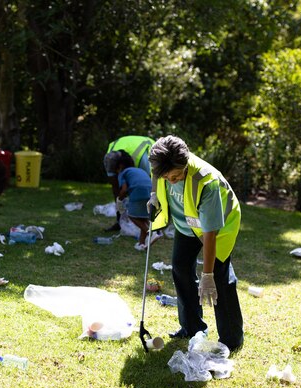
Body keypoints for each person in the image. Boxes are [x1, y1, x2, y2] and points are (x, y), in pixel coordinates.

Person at [148, 135, 243, 351]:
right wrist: (154, 195)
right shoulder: (160, 161)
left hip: (220, 225)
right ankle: (192, 328)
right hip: (187, 222)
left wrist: (207, 275)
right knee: (180, 268)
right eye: (166, 177)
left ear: (185, 163)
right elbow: (156, 174)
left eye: (175, 176)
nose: (171, 181)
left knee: (219, 276)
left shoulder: (205, 182)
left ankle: (231, 338)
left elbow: (209, 234)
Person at [103, 135, 154, 232]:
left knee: (145, 195)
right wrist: (120, 202)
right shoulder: (110, 157)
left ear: (120, 167)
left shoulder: (143, 162)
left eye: (116, 171)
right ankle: (120, 222)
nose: (117, 175)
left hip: (147, 153)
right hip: (123, 157)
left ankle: (153, 223)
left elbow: (145, 186)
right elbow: (115, 187)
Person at [114, 151, 152, 250]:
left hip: (138, 192)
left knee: (132, 215)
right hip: (150, 192)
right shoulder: (138, 170)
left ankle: (151, 232)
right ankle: (141, 244)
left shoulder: (123, 173)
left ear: (120, 167)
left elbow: (124, 189)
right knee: (143, 218)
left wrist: (119, 199)